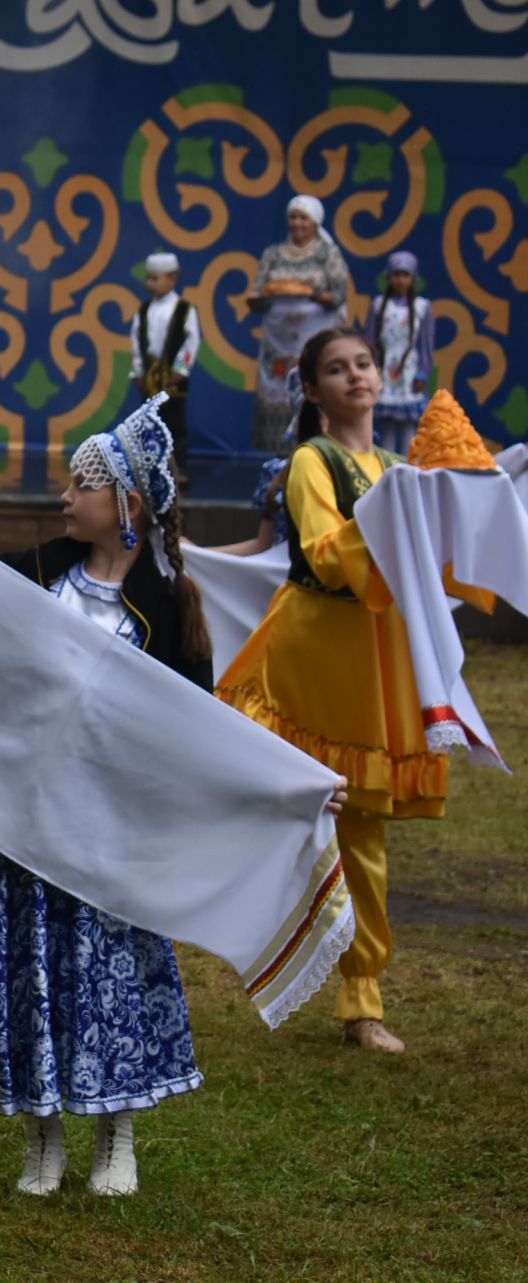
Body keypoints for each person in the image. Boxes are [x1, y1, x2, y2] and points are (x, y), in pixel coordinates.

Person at [0, 397, 210, 1197]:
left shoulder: (168, 602)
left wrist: (287, 790)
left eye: (82, 484)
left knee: (112, 972)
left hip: (110, 829)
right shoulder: (38, 571)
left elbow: (201, 728)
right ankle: (42, 1135)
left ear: (126, 502)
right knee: (31, 966)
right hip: (24, 817)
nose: (65, 498)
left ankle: (116, 1131)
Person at [218, 328, 488, 1055]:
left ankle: (361, 999)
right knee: (281, 813)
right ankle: (234, 930)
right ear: (312, 390)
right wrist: (401, 516)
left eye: (363, 364)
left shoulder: (397, 464)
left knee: (362, 827)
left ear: (381, 373)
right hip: (310, 661)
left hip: (373, 662)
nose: (355, 377)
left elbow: (437, 558)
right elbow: (328, 553)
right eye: (336, 369)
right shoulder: (315, 459)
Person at [250, 195, 352, 450]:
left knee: (312, 384)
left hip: (313, 332)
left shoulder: (327, 254)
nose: (297, 223)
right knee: (281, 388)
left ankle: (318, 450)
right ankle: (280, 456)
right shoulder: (273, 254)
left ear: (315, 222)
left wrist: (313, 294)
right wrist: (260, 299)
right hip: (279, 337)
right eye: (293, 217)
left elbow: (339, 295)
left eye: (303, 217)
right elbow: (258, 293)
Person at [128, 251, 201, 474]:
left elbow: (192, 340)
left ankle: (178, 469)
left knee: (174, 423)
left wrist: (181, 369)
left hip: (173, 377)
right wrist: (138, 370)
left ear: (172, 279)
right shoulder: (143, 310)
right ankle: (151, 470)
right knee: (149, 423)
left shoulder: (184, 309)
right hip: (151, 376)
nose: (149, 284)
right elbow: (136, 341)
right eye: (148, 278)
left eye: (155, 279)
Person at [363, 251, 436, 456]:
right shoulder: (378, 305)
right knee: (387, 426)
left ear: (413, 278)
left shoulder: (422, 307)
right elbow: (370, 340)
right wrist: (370, 367)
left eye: (406, 275)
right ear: (389, 277)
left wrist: (422, 372)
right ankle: (387, 465)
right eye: (397, 275)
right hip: (385, 368)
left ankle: (407, 463)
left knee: (407, 427)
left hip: (408, 371)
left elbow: (425, 344)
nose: (401, 280)